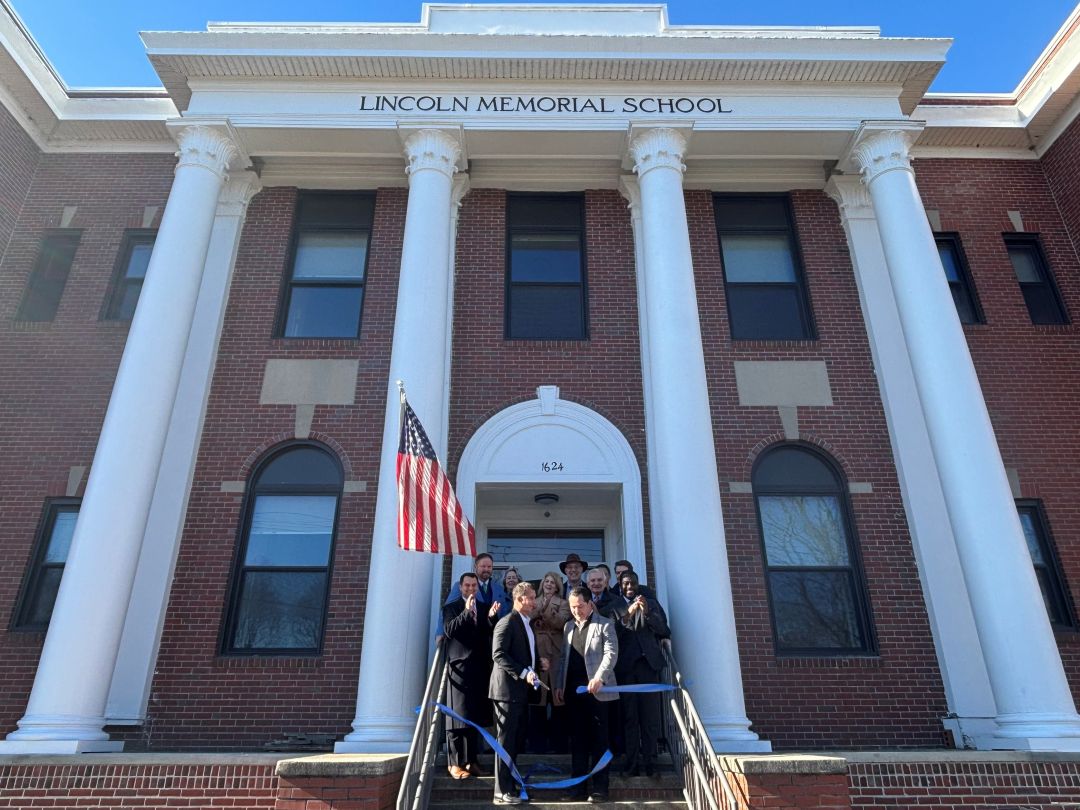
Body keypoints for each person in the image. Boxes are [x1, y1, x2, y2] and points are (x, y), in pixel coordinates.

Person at [555, 586, 619, 804]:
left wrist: (600, 677)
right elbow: (564, 658)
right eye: (572, 607)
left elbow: (611, 654)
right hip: (574, 693)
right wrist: (559, 684)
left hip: (599, 692)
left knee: (600, 741)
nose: (576, 611)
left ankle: (600, 788)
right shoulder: (568, 627)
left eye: (579, 606)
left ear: (590, 603)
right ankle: (577, 789)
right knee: (578, 742)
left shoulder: (605, 624)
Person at [489, 582, 549, 805]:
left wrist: (537, 664)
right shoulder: (507, 622)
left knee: (514, 742)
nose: (535, 602)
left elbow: (523, 654)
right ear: (519, 598)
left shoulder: (527, 624)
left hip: (521, 693)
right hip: (506, 692)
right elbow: (499, 654)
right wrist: (524, 672)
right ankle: (500, 791)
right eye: (531, 598)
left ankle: (510, 785)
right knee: (504, 742)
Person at [610, 571, 670, 777]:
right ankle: (632, 762)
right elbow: (612, 632)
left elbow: (663, 629)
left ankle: (651, 762)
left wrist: (646, 613)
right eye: (626, 584)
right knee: (630, 717)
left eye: (633, 584)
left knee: (650, 717)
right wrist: (629, 612)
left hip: (648, 667)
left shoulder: (651, 603)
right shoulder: (614, 606)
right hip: (626, 669)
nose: (630, 587)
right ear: (619, 584)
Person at [442, 572, 497, 779]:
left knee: (474, 717)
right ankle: (455, 764)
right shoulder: (451, 607)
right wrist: (466, 613)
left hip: (480, 668)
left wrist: (492, 618)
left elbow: (488, 633)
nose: (471, 589)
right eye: (467, 586)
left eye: (474, 586)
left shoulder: (484, 607)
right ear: (461, 587)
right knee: (457, 717)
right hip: (459, 669)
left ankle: (471, 761)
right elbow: (449, 630)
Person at [531, 570, 571, 752]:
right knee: (538, 700)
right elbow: (527, 620)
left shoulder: (563, 603)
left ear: (557, 586)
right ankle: (537, 745)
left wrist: (545, 613)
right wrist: (539, 610)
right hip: (537, 652)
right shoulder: (533, 601)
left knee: (557, 700)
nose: (548, 584)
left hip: (555, 652)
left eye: (552, 582)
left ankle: (559, 744)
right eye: (546, 581)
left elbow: (561, 623)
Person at [445, 552, 509, 618]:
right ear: (475, 567)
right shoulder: (461, 586)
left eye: (489, 566)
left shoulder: (499, 589)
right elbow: (447, 611)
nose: (486, 569)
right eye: (483, 566)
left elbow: (504, 614)